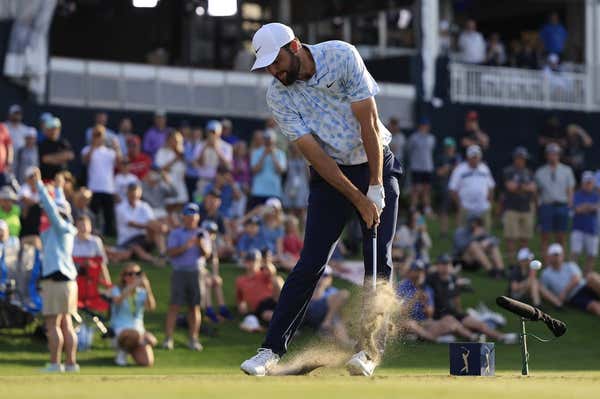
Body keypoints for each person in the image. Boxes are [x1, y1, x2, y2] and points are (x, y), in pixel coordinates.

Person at [240, 22, 402, 377]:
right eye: (266, 66)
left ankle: (369, 352)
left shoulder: (341, 56)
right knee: (310, 263)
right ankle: (269, 351)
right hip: (331, 178)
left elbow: (369, 124)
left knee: (377, 258)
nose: (273, 71)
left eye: (276, 61)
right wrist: (359, 199)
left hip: (375, 161)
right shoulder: (277, 95)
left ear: (294, 46)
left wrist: (374, 185)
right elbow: (316, 156)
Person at [32, 168, 80, 372]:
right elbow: (58, 207)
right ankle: (71, 364)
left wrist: (39, 185)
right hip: (69, 282)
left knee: (52, 324)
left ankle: (55, 364)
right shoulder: (68, 228)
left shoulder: (58, 227)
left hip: (55, 279)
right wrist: (59, 189)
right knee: (66, 323)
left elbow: (52, 209)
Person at [427, 255, 517, 343]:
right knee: (457, 325)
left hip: (453, 312)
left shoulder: (453, 279)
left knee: (479, 324)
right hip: (440, 314)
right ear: (437, 266)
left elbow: (456, 297)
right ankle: (473, 338)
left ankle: (501, 337)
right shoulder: (431, 279)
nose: (445, 267)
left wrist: (459, 311)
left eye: (447, 264)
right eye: (443, 264)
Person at [163, 203, 211, 351]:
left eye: (194, 215)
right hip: (179, 271)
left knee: (194, 307)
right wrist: (187, 245)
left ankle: (193, 339)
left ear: (198, 217)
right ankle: (168, 339)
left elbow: (206, 254)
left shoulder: (202, 233)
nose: (191, 218)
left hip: (196, 272)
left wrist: (200, 244)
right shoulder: (176, 233)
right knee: (174, 306)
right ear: (183, 217)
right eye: (188, 215)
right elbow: (170, 252)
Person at [398, 259, 476, 343]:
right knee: (411, 324)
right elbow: (401, 312)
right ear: (410, 272)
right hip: (406, 321)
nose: (419, 274)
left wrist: (425, 304)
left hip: (422, 322)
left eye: (421, 272)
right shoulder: (403, 287)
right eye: (416, 271)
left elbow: (430, 313)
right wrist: (414, 298)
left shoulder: (427, 289)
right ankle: (436, 339)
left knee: (449, 320)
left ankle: (472, 337)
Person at [109, 263, 157, 366]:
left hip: (138, 331)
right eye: (130, 274)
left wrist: (147, 288)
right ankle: (122, 353)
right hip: (120, 330)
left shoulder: (142, 292)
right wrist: (132, 286)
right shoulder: (116, 290)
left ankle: (129, 349)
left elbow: (151, 308)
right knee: (134, 335)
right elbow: (118, 301)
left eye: (137, 273)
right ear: (124, 276)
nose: (134, 276)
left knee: (147, 361)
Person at [81, 124, 121, 236]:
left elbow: (120, 163)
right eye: (95, 135)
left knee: (109, 217)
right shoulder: (87, 150)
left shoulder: (110, 152)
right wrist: (93, 146)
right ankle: (93, 234)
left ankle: (110, 238)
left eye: (100, 135)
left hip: (108, 188)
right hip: (93, 188)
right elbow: (85, 161)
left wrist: (117, 147)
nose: (97, 137)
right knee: (93, 215)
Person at [535, 143, 575, 252]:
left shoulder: (567, 170)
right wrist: (537, 206)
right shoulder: (540, 171)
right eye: (550, 154)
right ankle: (547, 264)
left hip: (562, 206)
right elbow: (537, 192)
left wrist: (570, 205)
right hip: (547, 206)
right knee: (545, 236)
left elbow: (570, 189)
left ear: (559, 155)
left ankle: (559, 262)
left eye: (555, 154)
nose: (553, 156)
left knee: (561, 237)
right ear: (546, 155)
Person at [113, 183, 166, 264]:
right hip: (127, 240)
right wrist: (151, 226)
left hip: (143, 237)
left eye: (136, 195)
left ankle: (162, 255)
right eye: (132, 195)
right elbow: (131, 223)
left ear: (140, 193)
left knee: (156, 228)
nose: (134, 197)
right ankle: (154, 260)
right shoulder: (121, 207)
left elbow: (151, 221)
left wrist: (159, 226)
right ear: (127, 194)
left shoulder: (144, 206)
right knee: (135, 246)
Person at [540, 244, 600, 316]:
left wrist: (564, 292)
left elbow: (577, 279)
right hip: (574, 296)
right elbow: (544, 290)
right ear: (549, 257)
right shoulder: (546, 273)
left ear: (562, 255)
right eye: (554, 255)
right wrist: (557, 300)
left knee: (592, 277)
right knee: (595, 307)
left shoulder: (570, 265)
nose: (557, 257)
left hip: (584, 287)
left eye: (558, 255)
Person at [303, 266, 352, 346]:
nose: (324, 278)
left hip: (326, 316)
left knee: (336, 315)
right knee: (342, 296)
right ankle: (328, 326)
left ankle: (339, 339)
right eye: (321, 275)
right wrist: (321, 287)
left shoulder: (333, 290)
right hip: (310, 313)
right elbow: (315, 298)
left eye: (326, 276)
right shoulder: (308, 288)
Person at [448, 145, 495, 228]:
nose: (475, 159)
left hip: (483, 208)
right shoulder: (460, 169)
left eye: (477, 156)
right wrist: (459, 204)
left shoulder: (485, 169)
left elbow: (491, 186)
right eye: (473, 156)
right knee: (464, 234)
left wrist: (489, 203)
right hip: (466, 207)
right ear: (468, 157)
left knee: (484, 234)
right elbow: (452, 188)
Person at [502, 147, 536, 258]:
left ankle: (523, 264)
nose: (521, 160)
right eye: (519, 158)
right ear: (515, 158)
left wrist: (520, 187)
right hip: (511, 208)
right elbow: (510, 187)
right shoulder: (508, 171)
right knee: (511, 238)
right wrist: (525, 187)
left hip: (526, 208)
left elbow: (533, 188)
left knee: (525, 238)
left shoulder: (529, 172)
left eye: (523, 158)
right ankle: (512, 264)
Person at [236, 249, 284, 327]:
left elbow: (273, 273)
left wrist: (267, 262)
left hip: (272, 300)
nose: (251, 263)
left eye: (254, 261)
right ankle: (286, 325)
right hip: (260, 307)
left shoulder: (263, 273)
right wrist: (241, 307)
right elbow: (240, 300)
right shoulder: (240, 280)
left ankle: (287, 305)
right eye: (249, 260)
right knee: (268, 314)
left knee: (277, 280)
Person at [193, 120, 233, 200]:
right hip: (203, 181)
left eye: (214, 132)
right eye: (210, 132)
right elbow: (197, 164)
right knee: (198, 202)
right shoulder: (200, 146)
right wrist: (204, 148)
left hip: (218, 183)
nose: (212, 134)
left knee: (215, 205)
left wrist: (216, 149)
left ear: (219, 133)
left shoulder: (227, 147)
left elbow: (228, 166)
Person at [248, 130, 287, 210]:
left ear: (274, 140)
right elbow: (254, 170)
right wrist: (263, 155)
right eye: (266, 139)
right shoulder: (256, 152)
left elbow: (281, 171)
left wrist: (273, 155)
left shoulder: (280, 154)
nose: (268, 142)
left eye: (270, 139)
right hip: (258, 191)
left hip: (274, 191)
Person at [571, 171, 600, 275]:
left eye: (590, 182)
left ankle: (587, 276)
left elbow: (596, 207)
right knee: (575, 253)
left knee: (591, 255)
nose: (588, 185)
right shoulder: (577, 194)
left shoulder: (596, 195)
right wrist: (589, 207)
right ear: (582, 183)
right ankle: (574, 275)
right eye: (586, 182)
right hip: (578, 228)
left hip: (592, 229)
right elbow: (577, 209)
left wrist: (586, 206)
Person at [154, 130, 188, 211]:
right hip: (167, 185)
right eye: (175, 140)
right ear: (169, 140)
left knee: (181, 207)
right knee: (169, 208)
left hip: (180, 185)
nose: (177, 143)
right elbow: (160, 169)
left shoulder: (183, 154)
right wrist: (175, 160)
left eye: (179, 141)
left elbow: (184, 171)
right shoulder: (161, 152)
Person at [407, 118, 436, 215]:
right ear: (420, 126)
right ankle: (413, 207)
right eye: (423, 125)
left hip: (427, 167)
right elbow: (409, 150)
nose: (424, 127)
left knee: (426, 189)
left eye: (426, 126)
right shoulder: (414, 138)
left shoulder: (431, 138)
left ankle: (427, 208)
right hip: (416, 167)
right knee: (416, 189)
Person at [72, 215, 111, 285]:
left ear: (90, 227)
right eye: (80, 225)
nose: (83, 228)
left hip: (91, 278)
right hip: (75, 277)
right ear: (76, 227)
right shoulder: (70, 241)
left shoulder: (96, 241)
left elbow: (102, 263)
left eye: (85, 225)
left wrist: (108, 283)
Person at [436, 137, 462, 237]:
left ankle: (459, 232)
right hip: (445, 187)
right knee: (444, 210)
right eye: (447, 147)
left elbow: (459, 171)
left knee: (459, 208)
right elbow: (439, 172)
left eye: (451, 147)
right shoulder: (440, 158)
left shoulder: (458, 157)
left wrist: (449, 168)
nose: (449, 149)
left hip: (457, 187)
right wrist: (448, 169)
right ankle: (444, 232)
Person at [282, 142, 309, 221]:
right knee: (290, 209)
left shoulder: (304, 161)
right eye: (292, 147)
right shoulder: (288, 160)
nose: (295, 149)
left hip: (302, 187)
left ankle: (303, 231)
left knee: (303, 210)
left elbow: (308, 175)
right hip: (290, 186)